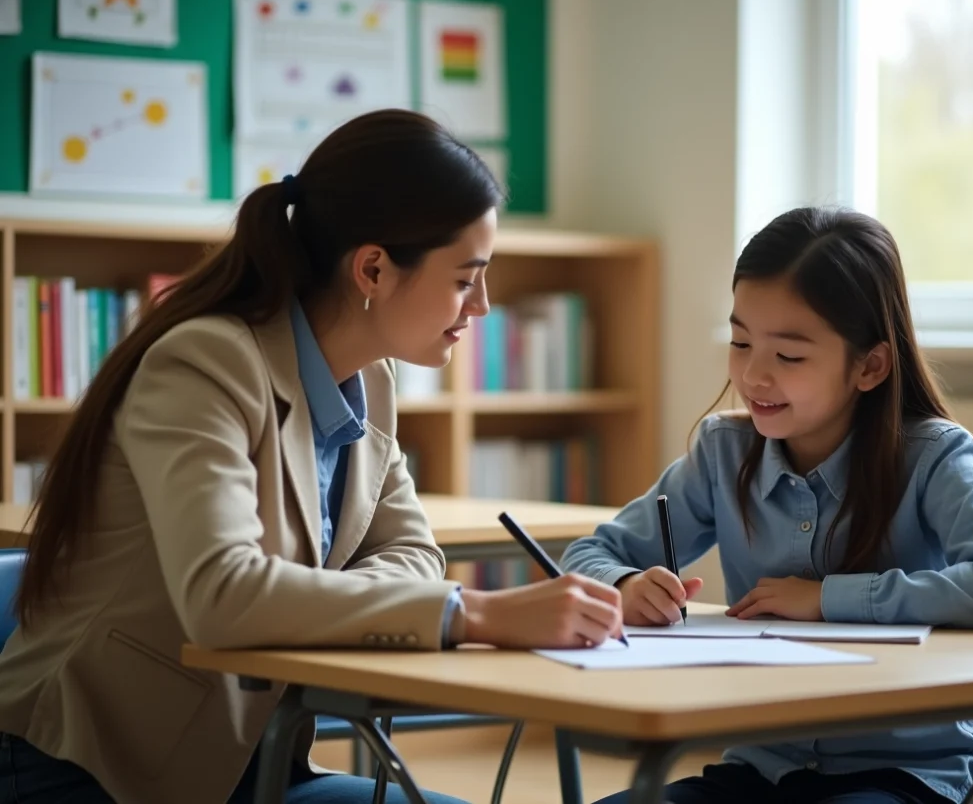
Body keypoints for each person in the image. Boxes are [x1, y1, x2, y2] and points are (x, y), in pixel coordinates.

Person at [0, 109, 623, 804]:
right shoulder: (206, 363)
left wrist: (326, 596)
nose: (480, 304)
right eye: (463, 278)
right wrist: (472, 613)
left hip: (250, 763)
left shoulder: (373, 379)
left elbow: (414, 554)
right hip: (91, 769)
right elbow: (223, 594)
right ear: (374, 268)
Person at [561, 207, 973, 804]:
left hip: (900, 776)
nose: (753, 375)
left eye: (788, 357)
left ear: (869, 365)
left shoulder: (932, 458)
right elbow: (588, 554)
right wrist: (625, 583)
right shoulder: (723, 452)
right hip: (759, 770)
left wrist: (827, 599)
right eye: (741, 342)